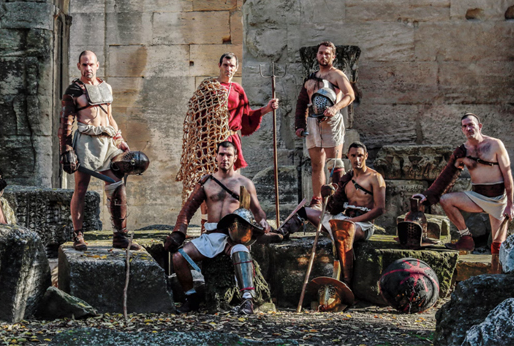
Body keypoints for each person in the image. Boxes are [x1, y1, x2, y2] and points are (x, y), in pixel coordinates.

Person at [165, 141, 270, 314]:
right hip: (211, 236)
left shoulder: (244, 183)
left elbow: (257, 211)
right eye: (221, 154)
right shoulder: (207, 182)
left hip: (233, 235)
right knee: (178, 257)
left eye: (229, 155)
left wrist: (264, 222)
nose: (224, 158)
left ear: (235, 157)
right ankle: (191, 299)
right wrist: (179, 233)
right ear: (216, 156)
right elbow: (188, 209)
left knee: (241, 251)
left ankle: (247, 301)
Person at [59, 50, 149, 251]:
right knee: (81, 189)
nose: (87, 68)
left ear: (97, 65)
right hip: (85, 143)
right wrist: (66, 149)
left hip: (107, 143)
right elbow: (65, 123)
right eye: (84, 65)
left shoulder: (106, 87)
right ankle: (78, 235)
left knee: (116, 184)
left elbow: (109, 117)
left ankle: (120, 236)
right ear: (78, 66)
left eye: (91, 64)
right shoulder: (73, 90)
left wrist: (120, 139)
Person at [175, 52, 278, 223]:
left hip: (230, 140)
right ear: (219, 66)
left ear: (236, 68)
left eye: (232, 66)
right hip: (208, 142)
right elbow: (196, 113)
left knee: (231, 182)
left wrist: (266, 109)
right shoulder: (208, 87)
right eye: (225, 65)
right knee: (207, 182)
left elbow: (246, 116)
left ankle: (229, 222)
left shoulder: (238, 90)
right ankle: (206, 223)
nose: (228, 68)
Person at [277, 142, 385, 286]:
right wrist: (327, 194)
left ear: (366, 156)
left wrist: (353, 221)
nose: (357, 159)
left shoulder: (375, 178)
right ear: (348, 156)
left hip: (362, 225)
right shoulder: (347, 178)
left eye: (360, 155)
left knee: (344, 230)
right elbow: (333, 209)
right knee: (305, 211)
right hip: (342, 219)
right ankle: (281, 233)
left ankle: (346, 283)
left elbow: (379, 209)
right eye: (353, 156)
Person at [412, 113, 514, 255]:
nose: (468, 128)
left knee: (497, 248)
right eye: (465, 126)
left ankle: (498, 274)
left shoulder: (495, 145)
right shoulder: (462, 151)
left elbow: (508, 175)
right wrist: (427, 195)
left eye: (471, 125)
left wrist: (510, 204)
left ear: (479, 126)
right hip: (477, 197)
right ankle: (466, 238)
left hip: (498, 199)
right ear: (462, 130)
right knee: (445, 200)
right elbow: (447, 176)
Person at [294, 41, 356, 210]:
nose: (324, 56)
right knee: (316, 164)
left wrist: (336, 108)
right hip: (313, 123)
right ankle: (317, 200)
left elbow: (350, 95)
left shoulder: (337, 75)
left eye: (327, 53)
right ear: (317, 55)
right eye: (321, 53)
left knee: (334, 163)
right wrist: (299, 125)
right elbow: (301, 103)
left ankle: (337, 200)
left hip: (331, 123)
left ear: (333, 57)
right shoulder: (310, 78)